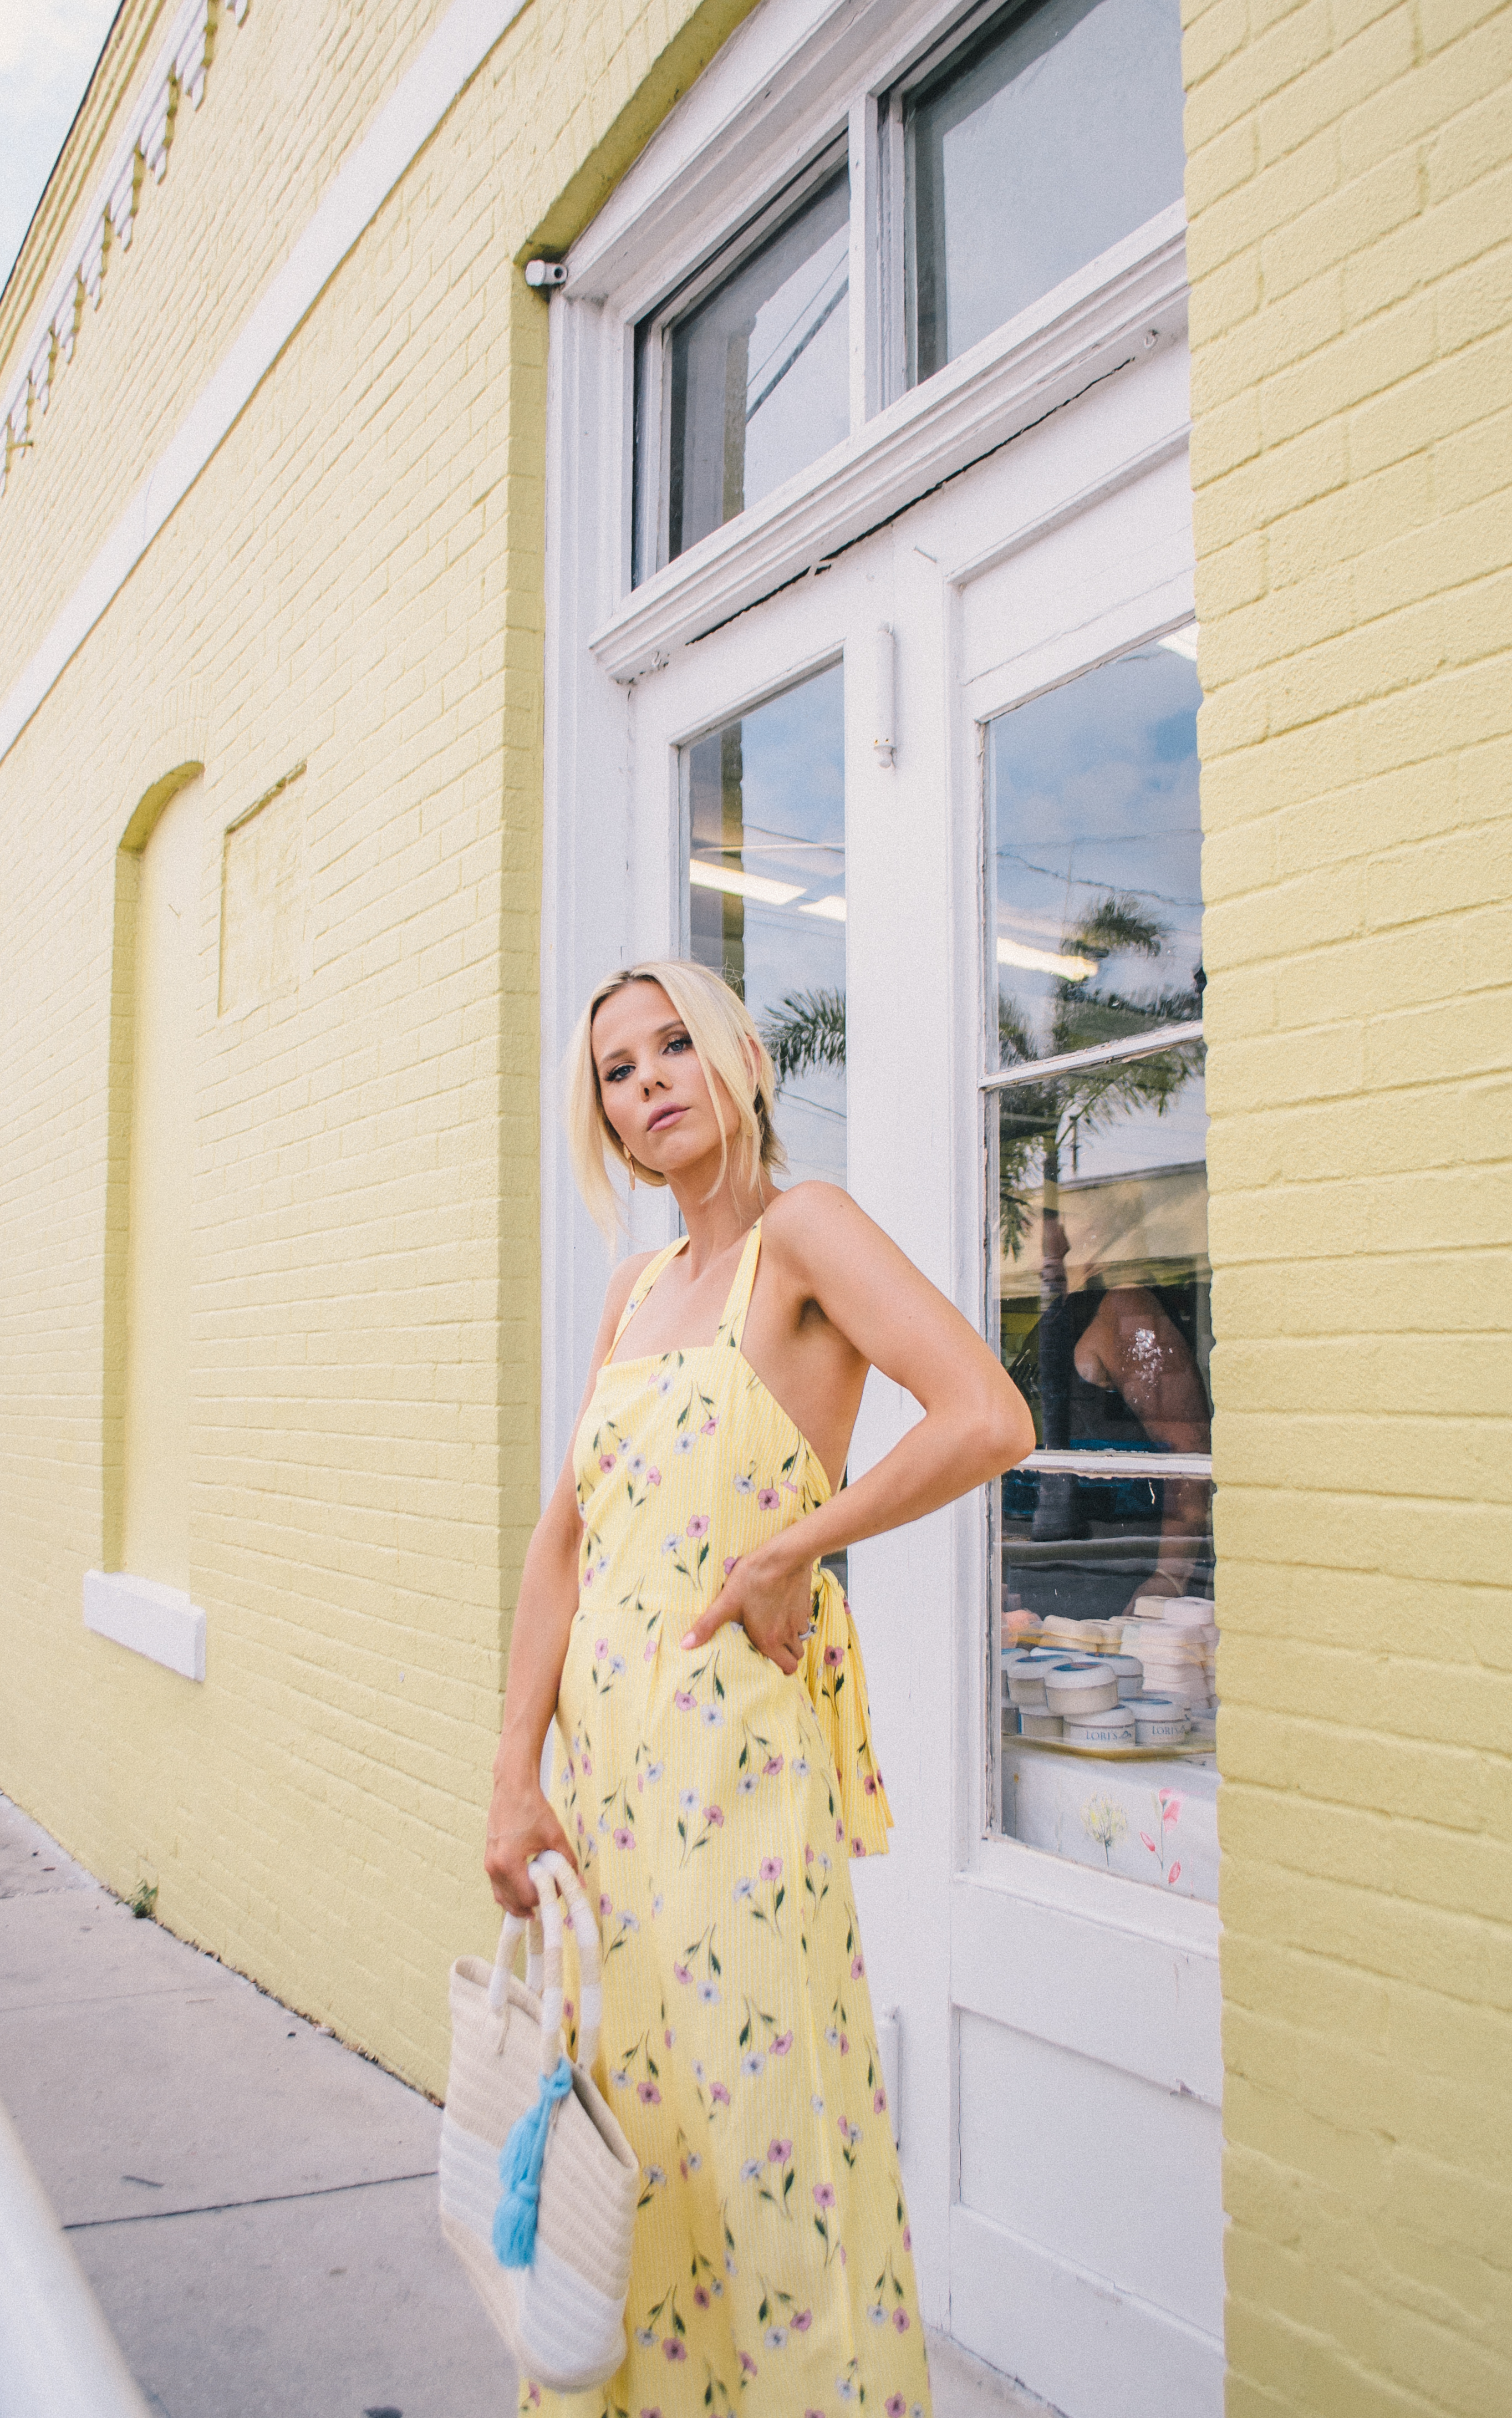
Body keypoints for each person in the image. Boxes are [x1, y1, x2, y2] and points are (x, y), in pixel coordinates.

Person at [485, 958, 1034, 2418]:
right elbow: (561, 1547)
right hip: (602, 1794)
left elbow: (987, 1414)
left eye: (676, 1045)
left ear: (738, 1061)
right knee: (638, 2151)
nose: (651, 1078)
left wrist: (799, 1545)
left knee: (775, 2148)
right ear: (601, 1120)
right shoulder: (635, 1287)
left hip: (737, 1775)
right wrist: (511, 1780)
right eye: (617, 1068)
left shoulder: (808, 1235)